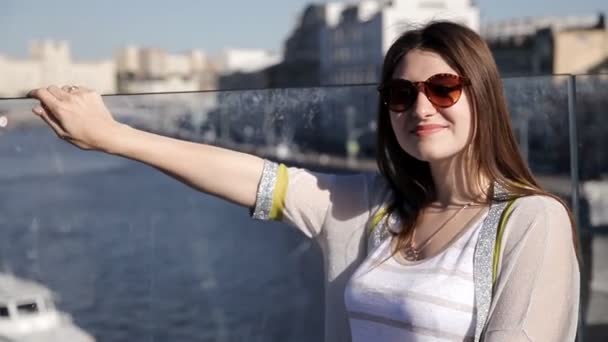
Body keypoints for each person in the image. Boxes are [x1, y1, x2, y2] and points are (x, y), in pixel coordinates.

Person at [27, 21, 580, 342]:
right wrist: (114, 136)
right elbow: (257, 177)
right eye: (400, 94)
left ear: (482, 96)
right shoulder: (372, 210)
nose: (421, 107)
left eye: (443, 88)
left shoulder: (532, 221)